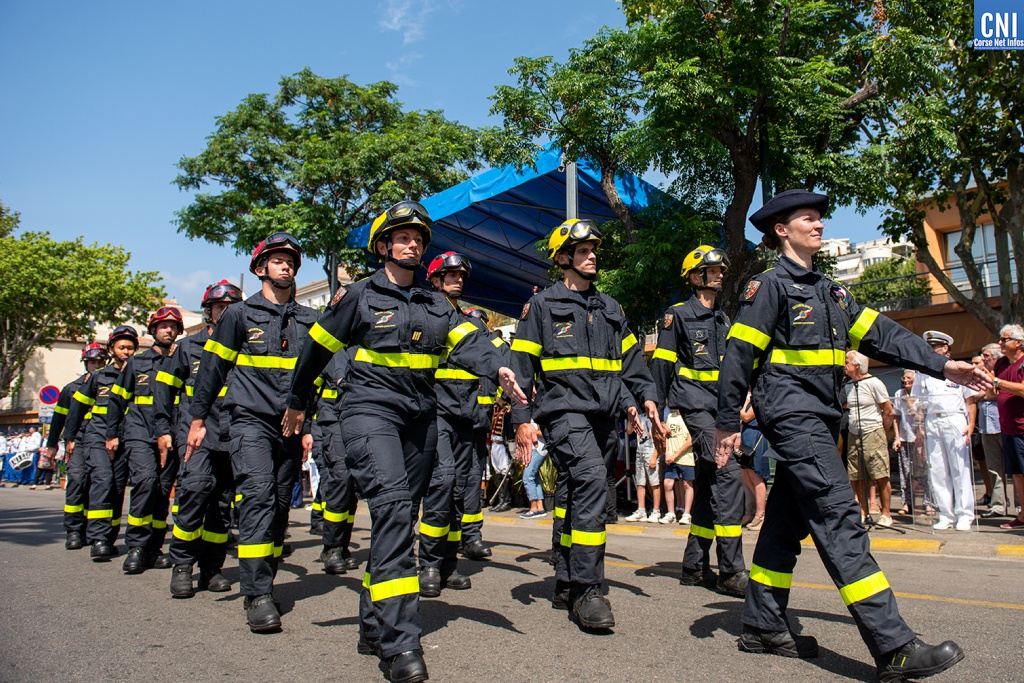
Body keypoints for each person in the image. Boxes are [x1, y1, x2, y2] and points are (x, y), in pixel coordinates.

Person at [715, 189, 983, 680]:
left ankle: (761, 624)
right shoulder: (769, 287)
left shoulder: (830, 291)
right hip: (792, 417)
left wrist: (945, 366)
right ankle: (894, 646)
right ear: (781, 230)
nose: (818, 225)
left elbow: (884, 334)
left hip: (821, 416)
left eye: (820, 219)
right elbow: (738, 354)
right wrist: (726, 422)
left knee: (784, 522)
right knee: (840, 519)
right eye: (808, 219)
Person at [284, 201, 525, 683]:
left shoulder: (438, 304)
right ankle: (401, 645)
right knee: (393, 509)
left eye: (418, 238)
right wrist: (297, 401)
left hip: (421, 417)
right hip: (369, 411)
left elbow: (472, 341)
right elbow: (317, 348)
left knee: (400, 520)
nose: (412, 243)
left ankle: (373, 622)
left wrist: (499, 369)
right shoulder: (357, 296)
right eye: (402, 237)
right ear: (382, 247)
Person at [511, 218, 663, 630]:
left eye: (594, 250)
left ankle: (564, 578)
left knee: (576, 493)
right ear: (563, 259)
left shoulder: (611, 307)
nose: (592, 256)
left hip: (604, 416)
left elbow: (630, 363)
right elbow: (521, 366)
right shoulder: (542, 307)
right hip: (562, 412)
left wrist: (643, 399)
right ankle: (587, 589)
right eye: (583, 251)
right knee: (595, 480)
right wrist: (521, 419)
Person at [185, 234, 318, 633]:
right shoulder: (238, 316)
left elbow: (317, 375)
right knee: (257, 495)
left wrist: (309, 426)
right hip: (249, 421)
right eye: (277, 261)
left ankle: (266, 576)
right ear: (261, 268)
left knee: (279, 505)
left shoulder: (308, 320)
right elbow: (212, 370)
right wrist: (197, 418)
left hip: (291, 427)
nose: (286, 267)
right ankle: (256, 594)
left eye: (291, 262)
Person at [651, 244, 748, 597]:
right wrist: (655, 412)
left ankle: (694, 566)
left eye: (722, 269)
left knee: (708, 481)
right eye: (713, 269)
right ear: (695, 277)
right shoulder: (676, 316)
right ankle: (731, 570)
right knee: (728, 474)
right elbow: (661, 365)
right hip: (694, 405)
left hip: (721, 408)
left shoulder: (723, 317)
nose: (721, 273)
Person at [417, 251, 507, 596]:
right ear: (436, 280)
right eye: (451, 275)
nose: (458, 280)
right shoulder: (426, 315)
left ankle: (448, 563)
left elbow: (496, 354)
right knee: (441, 482)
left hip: (467, 415)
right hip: (434, 411)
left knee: (459, 486)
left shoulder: (471, 322)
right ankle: (428, 564)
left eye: (461, 276)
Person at [159, 280, 243, 598]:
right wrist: (163, 430)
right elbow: (163, 390)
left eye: (232, 308)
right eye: (221, 308)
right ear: (209, 311)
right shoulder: (188, 347)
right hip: (195, 432)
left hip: (232, 431)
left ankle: (211, 569)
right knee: (194, 491)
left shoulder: (246, 347)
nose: (226, 313)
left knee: (222, 504)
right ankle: (182, 566)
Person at [105, 306, 185, 573]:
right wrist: (111, 434)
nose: (168, 330)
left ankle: (154, 547)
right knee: (145, 481)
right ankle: (137, 546)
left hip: (172, 434)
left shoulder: (181, 361)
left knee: (163, 491)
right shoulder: (136, 363)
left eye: (173, 326)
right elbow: (116, 400)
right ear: (153, 330)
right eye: (163, 326)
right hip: (139, 433)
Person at [65, 326, 140, 560]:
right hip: (97, 437)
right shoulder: (98, 377)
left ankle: (109, 536)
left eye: (130, 348)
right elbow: (76, 409)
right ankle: (97, 538)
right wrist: (69, 438)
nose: (126, 352)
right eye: (121, 347)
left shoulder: (140, 376)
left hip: (126, 437)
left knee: (117, 487)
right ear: (111, 350)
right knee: (102, 480)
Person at [911, 331, 977, 531]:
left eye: (933, 347)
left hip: (954, 419)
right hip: (932, 421)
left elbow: (970, 400)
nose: (929, 350)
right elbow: (914, 401)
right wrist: (919, 425)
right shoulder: (922, 373)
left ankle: (965, 514)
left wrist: (971, 424)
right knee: (938, 470)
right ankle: (946, 514)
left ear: (945, 348)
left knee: (959, 468)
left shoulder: (958, 369)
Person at [45, 343, 108, 548]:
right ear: (85, 363)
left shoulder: (111, 385)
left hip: (100, 440)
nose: (96, 365)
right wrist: (52, 445)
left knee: (98, 483)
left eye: (100, 362)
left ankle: (94, 530)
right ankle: (73, 530)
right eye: (92, 362)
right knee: (77, 479)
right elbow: (58, 419)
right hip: (77, 441)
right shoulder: (71, 388)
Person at [843, 350, 896, 528]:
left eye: (847, 362)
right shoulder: (849, 385)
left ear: (857, 365)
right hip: (854, 433)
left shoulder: (874, 383)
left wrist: (882, 432)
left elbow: (888, 411)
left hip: (872, 431)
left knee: (880, 473)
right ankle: (863, 512)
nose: (845, 365)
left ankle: (886, 513)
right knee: (856, 475)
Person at [991, 324, 1024, 529]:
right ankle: (1022, 516)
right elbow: (994, 391)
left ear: (1018, 343)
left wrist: (996, 381)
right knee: (1017, 474)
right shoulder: (1001, 363)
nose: (1000, 343)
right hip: (1007, 428)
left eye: (1004, 339)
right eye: (1000, 339)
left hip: (1023, 428)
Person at [970, 343, 1008, 518]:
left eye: (986, 356)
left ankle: (1021, 507)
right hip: (987, 427)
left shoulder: (1004, 371)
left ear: (996, 356)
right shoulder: (981, 374)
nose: (983, 359)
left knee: (1016, 469)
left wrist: (984, 395)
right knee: (994, 468)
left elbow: (997, 393)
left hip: (1004, 426)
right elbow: (974, 395)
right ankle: (999, 505)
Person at [739, 394, 770, 531]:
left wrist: (744, 404)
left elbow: (746, 416)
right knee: (745, 475)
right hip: (746, 437)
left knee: (756, 476)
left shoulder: (757, 400)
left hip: (755, 438)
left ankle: (761, 513)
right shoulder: (748, 400)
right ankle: (750, 511)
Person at [625, 414, 662, 522]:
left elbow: (659, 437)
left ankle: (656, 510)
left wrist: (655, 456)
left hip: (651, 451)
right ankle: (641, 510)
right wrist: (630, 417)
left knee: (654, 482)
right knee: (640, 482)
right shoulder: (639, 416)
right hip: (640, 451)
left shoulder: (654, 417)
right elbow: (629, 431)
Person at [661, 409, 694, 525]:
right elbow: (666, 436)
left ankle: (687, 513)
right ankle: (671, 513)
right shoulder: (670, 416)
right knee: (668, 483)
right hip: (671, 457)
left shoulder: (689, 417)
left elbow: (690, 441)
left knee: (687, 484)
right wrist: (667, 453)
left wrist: (675, 455)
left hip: (685, 457)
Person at [519, 422, 548, 519]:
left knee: (527, 477)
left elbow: (544, 432)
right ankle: (540, 507)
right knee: (534, 477)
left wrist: (529, 432)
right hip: (534, 448)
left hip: (538, 448)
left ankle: (533, 508)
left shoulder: (538, 414)